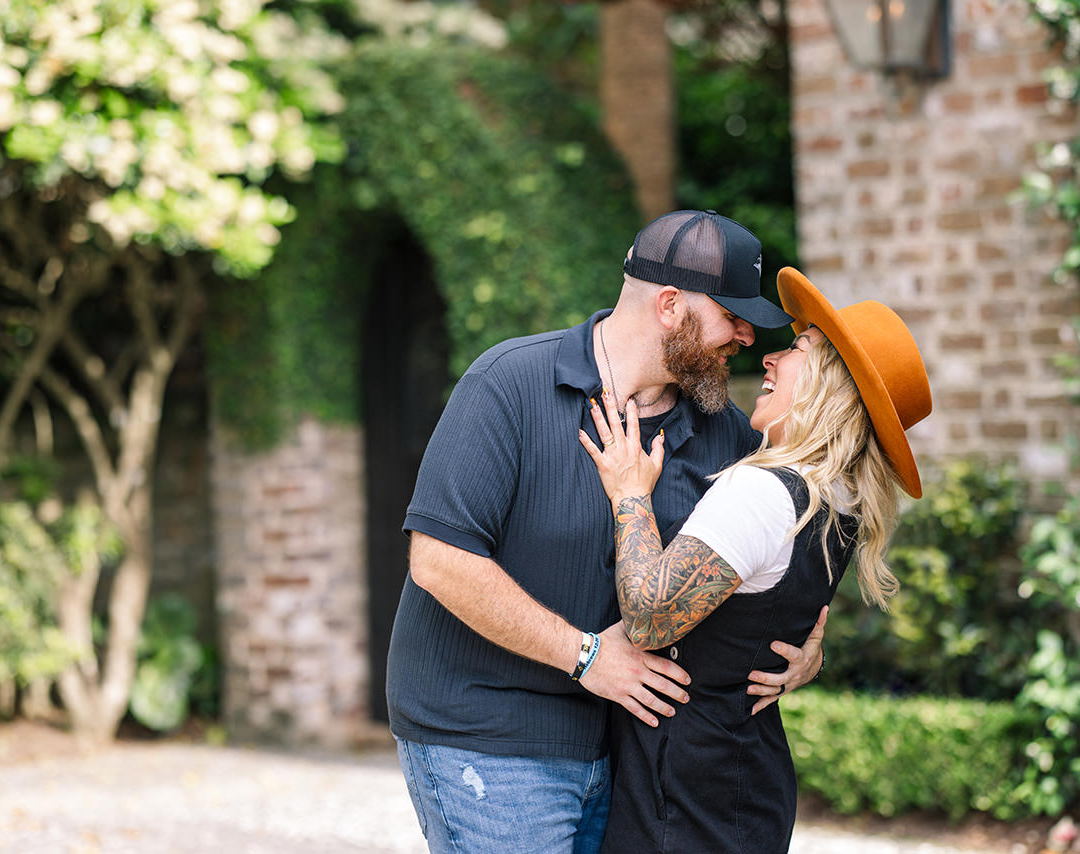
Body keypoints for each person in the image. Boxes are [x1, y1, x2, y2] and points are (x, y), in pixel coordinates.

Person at [386, 211, 828, 854]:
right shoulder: (509, 383)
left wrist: (799, 648)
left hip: (629, 752)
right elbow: (438, 561)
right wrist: (586, 655)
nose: (745, 336)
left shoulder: (728, 434)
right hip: (489, 732)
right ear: (670, 306)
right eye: (731, 316)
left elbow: (761, 556)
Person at [578, 266, 933, 854]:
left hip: (690, 802)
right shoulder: (836, 501)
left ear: (830, 387)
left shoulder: (763, 492)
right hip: (740, 784)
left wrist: (630, 495)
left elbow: (645, 619)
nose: (769, 358)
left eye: (797, 349)